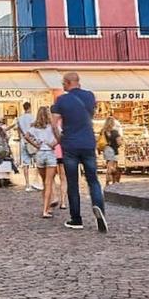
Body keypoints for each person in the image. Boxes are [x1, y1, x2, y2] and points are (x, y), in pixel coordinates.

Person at [52, 72, 107, 232]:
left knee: (73, 183)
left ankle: (76, 219)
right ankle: (99, 210)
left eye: (63, 83)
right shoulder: (90, 96)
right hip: (88, 142)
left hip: (70, 145)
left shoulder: (61, 100)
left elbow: (54, 124)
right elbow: (89, 115)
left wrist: (60, 139)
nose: (62, 85)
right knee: (93, 180)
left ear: (68, 82)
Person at [28, 107, 59, 218]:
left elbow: (27, 136)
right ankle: (46, 209)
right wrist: (53, 144)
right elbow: (60, 136)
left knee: (44, 181)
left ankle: (47, 207)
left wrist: (35, 144)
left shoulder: (35, 127)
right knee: (48, 182)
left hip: (40, 153)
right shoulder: (52, 126)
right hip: (50, 153)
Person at [10, 102, 41, 192]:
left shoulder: (20, 118)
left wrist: (22, 138)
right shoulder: (32, 117)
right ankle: (36, 181)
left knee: (25, 164)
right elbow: (34, 129)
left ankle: (27, 184)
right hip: (32, 141)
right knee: (38, 162)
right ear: (30, 108)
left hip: (23, 142)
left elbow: (19, 131)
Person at [100, 117, 122, 186]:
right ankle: (112, 181)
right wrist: (120, 142)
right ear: (112, 123)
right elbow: (119, 143)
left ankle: (108, 182)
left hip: (106, 150)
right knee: (112, 167)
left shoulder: (103, 131)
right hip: (113, 150)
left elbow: (100, 141)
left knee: (109, 165)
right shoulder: (115, 132)